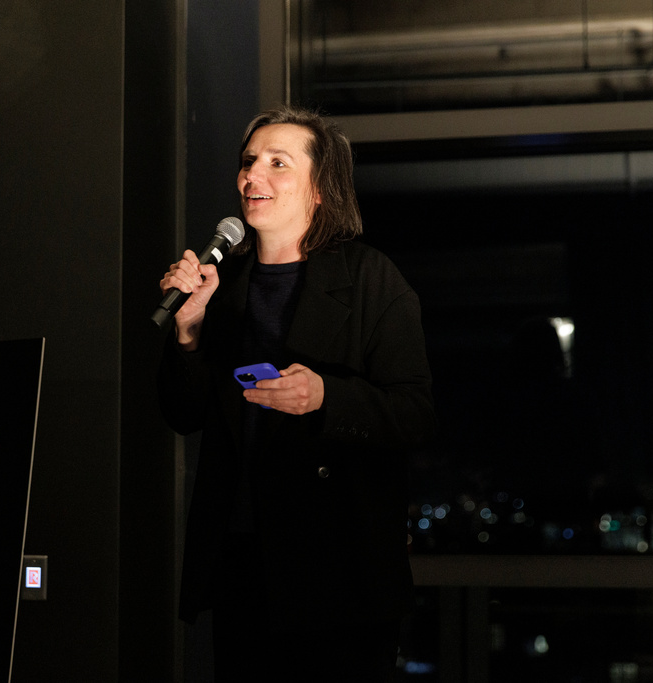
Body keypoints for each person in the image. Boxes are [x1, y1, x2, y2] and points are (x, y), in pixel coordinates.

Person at [157, 105, 435, 682]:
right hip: (243, 560)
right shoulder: (222, 285)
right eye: (248, 162)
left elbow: (414, 414)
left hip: (338, 568)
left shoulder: (371, 280)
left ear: (319, 191)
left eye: (277, 163)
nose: (252, 175)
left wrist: (328, 397)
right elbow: (183, 415)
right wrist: (187, 335)